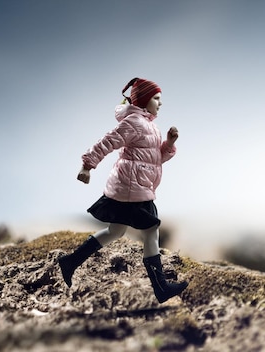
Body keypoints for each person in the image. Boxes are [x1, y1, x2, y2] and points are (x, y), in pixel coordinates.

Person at [58, 77, 188, 304]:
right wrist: (87, 166)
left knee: (115, 231)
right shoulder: (134, 123)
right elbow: (107, 142)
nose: (160, 103)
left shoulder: (149, 125)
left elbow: (154, 159)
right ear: (145, 100)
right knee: (150, 230)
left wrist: (168, 144)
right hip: (131, 188)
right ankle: (161, 288)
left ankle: (69, 262)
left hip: (136, 187)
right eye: (156, 98)